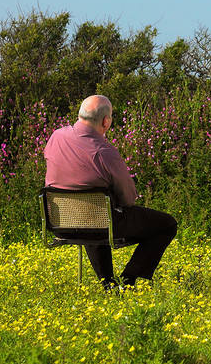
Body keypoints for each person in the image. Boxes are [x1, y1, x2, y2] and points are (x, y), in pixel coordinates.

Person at [44, 94, 178, 289]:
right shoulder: (104, 152)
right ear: (106, 121)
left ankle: (108, 284)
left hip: (61, 221)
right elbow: (128, 199)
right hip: (99, 222)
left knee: (93, 215)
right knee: (166, 225)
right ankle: (129, 280)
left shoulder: (56, 136)